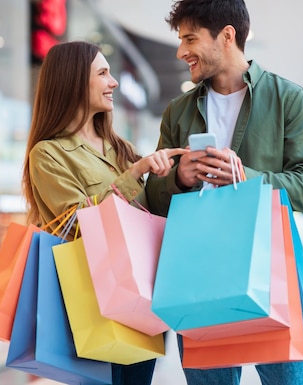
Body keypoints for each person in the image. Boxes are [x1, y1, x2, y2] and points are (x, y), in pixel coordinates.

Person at [144, 0, 303, 385]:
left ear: (226, 35)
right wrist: (179, 178)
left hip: (272, 270)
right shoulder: (178, 111)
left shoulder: (289, 100)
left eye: (190, 39)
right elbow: (153, 200)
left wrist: (245, 177)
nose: (180, 52)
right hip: (199, 273)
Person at [21, 41, 186, 385]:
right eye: (103, 73)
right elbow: (76, 221)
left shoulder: (120, 147)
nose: (113, 83)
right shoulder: (48, 154)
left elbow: (151, 214)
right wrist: (134, 174)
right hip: (95, 297)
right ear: (73, 81)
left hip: (141, 297)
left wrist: (177, 178)